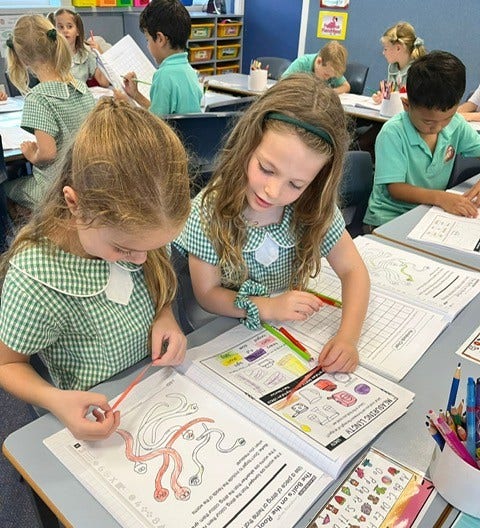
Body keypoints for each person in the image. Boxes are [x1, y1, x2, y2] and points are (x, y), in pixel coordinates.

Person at [0, 99, 191, 441]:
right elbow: (8, 364)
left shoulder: (137, 236)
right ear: (74, 203)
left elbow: (154, 275)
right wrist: (54, 400)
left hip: (149, 390)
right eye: (124, 250)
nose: (141, 260)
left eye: (150, 249)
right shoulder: (36, 278)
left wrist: (165, 315)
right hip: (93, 411)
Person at [175, 73, 370, 373]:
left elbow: (353, 270)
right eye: (266, 169)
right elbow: (207, 294)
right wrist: (267, 307)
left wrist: (348, 338)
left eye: (296, 184)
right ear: (248, 144)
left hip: (283, 335)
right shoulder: (210, 210)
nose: (273, 192)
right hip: (224, 332)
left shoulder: (312, 206)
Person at [364, 51, 480, 229]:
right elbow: (395, 188)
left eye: (447, 118)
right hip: (387, 219)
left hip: (427, 214)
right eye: (428, 121)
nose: (439, 127)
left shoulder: (456, 124)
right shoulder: (393, 133)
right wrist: (440, 198)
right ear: (407, 105)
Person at [3, 14, 96, 212]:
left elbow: (47, 153)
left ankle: (38, 234)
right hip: (87, 182)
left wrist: (32, 155)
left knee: (6, 188)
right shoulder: (80, 87)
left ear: (22, 58)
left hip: (54, 189)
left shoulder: (38, 98)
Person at [120, 0, 202, 116]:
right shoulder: (190, 71)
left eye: (147, 40)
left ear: (160, 39)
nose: (147, 45)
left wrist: (128, 105)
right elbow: (166, 116)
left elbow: (157, 126)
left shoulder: (163, 75)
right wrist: (136, 95)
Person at [51, 9, 109, 88]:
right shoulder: (49, 56)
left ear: (78, 31)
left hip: (81, 98)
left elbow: (104, 82)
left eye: (69, 26)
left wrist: (100, 53)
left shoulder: (86, 55)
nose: (65, 30)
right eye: (60, 27)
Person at [372, 21, 426, 103]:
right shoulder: (392, 67)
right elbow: (389, 95)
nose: (383, 53)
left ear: (398, 48)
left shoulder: (418, 70)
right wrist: (382, 98)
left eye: (385, 49)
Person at [282, 41, 350, 94]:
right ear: (319, 61)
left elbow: (346, 86)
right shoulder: (302, 63)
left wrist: (331, 92)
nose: (327, 78)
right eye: (326, 75)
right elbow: (282, 82)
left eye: (331, 77)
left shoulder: (332, 70)